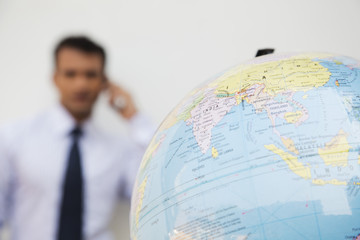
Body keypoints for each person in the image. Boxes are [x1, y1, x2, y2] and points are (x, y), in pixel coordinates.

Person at [0, 36, 154, 240]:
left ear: (103, 82)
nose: (80, 85)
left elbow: (154, 193)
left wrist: (135, 118)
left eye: (90, 75)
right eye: (70, 74)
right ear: (55, 78)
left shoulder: (119, 149)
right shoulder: (12, 137)